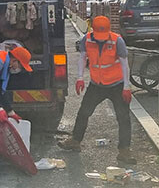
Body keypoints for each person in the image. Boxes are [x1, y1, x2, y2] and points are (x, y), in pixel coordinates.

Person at [58, 16, 137, 165]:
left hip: (117, 84)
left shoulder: (116, 40)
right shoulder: (87, 39)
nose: (101, 39)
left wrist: (127, 87)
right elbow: (82, 58)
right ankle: (75, 141)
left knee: (123, 117)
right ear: (92, 30)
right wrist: (80, 77)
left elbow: (124, 64)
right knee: (84, 112)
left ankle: (124, 150)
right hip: (97, 84)